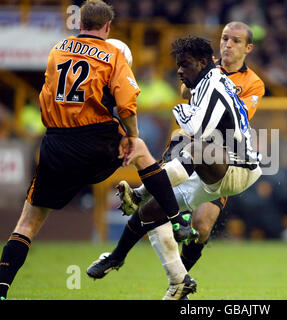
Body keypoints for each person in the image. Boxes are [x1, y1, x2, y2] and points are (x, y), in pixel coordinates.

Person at [0, 0, 195, 300]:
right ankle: (176, 218)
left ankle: (2, 288)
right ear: (107, 27)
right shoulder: (113, 54)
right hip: (95, 141)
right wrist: (130, 135)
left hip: (56, 143)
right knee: (141, 149)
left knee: (27, 223)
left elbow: (44, 98)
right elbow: (127, 104)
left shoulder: (57, 49)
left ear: (79, 24)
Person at [89, 35, 262, 299]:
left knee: (190, 145)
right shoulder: (204, 82)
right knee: (150, 213)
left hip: (238, 166)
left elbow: (198, 130)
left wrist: (179, 111)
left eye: (185, 65)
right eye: (178, 65)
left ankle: (140, 192)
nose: (179, 70)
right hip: (214, 168)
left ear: (202, 62)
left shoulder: (213, 85)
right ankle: (177, 281)